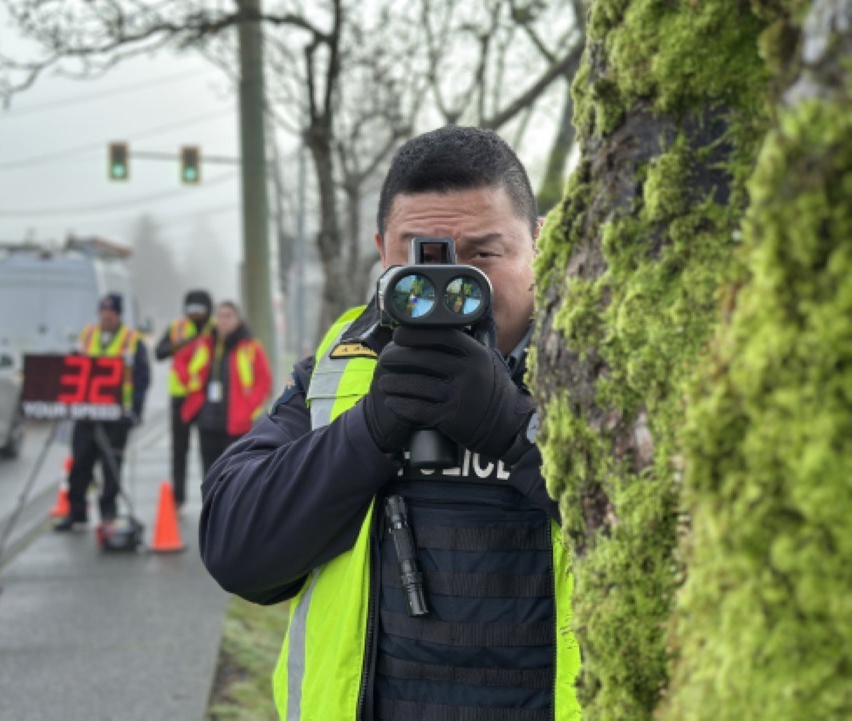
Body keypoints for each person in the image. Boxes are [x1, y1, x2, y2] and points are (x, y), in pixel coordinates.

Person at [200, 126, 581, 721]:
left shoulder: (600, 361)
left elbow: (673, 539)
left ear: (537, 242)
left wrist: (516, 430)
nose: (454, 285)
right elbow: (237, 551)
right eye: (420, 257)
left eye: (482, 254)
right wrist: (369, 429)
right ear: (383, 252)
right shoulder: (342, 363)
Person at [55, 293, 150, 531]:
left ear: (118, 315)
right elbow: (72, 368)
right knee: (80, 465)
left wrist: (135, 412)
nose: (106, 316)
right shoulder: (87, 336)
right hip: (87, 413)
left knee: (111, 467)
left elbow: (142, 378)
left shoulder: (132, 340)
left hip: (117, 415)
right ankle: (76, 512)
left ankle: (108, 512)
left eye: (111, 313)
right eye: (103, 312)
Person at [178, 301, 272, 477]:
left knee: (237, 475)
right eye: (219, 316)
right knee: (209, 475)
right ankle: (210, 505)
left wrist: (248, 407)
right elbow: (179, 362)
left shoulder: (250, 347)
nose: (223, 321)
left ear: (238, 319)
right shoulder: (204, 343)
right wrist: (192, 384)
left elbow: (265, 381)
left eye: (228, 316)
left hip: (237, 424)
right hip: (207, 422)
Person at [155, 290, 215, 507]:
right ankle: (177, 499)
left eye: (200, 309)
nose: (195, 314)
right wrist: (178, 344)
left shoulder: (217, 329)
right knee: (179, 450)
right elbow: (159, 353)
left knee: (209, 451)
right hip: (180, 397)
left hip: (205, 398)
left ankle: (211, 496)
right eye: (191, 309)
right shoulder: (177, 328)